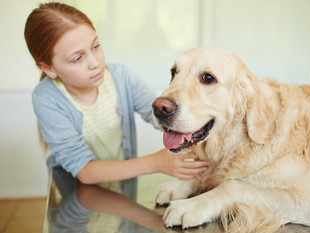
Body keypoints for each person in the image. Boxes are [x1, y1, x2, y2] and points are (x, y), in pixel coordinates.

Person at [24, 2, 208, 197]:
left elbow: (157, 115)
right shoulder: (47, 98)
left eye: (95, 46)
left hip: (121, 187)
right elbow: (84, 172)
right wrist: (155, 162)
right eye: (77, 59)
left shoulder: (122, 77)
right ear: (49, 68)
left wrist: (195, 124)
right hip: (77, 196)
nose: (95, 63)